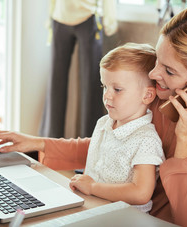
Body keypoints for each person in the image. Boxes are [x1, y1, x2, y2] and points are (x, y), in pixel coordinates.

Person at [0, 3, 187, 227]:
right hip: (115, 212)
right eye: (158, 61)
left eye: (169, 71)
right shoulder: (156, 93)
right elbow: (112, 149)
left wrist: (185, 137)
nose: (153, 75)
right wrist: (38, 144)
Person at [69, 43, 165, 213]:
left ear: (147, 95)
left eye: (117, 89)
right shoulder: (103, 123)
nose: (107, 95)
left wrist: (92, 187)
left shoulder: (146, 139)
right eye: (104, 86)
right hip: (91, 207)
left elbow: (141, 193)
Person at [40, 0, 118, 138]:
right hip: (59, 16)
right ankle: (50, 141)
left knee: (91, 83)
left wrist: (109, 18)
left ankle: (91, 142)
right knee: (56, 82)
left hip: (89, 16)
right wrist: (50, 15)